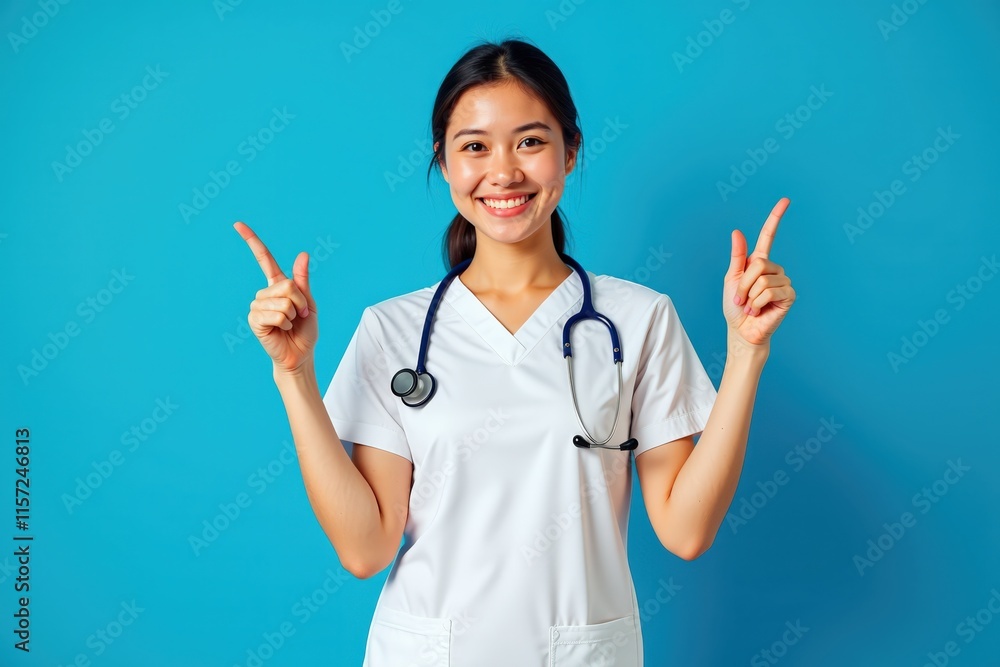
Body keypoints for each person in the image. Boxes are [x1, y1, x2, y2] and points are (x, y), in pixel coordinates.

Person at [234, 37, 795, 667]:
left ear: (570, 152)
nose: (504, 173)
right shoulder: (393, 329)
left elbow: (686, 531)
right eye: (474, 147)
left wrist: (746, 355)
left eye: (530, 141)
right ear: (444, 164)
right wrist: (293, 373)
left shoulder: (638, 320)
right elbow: (365, 550)